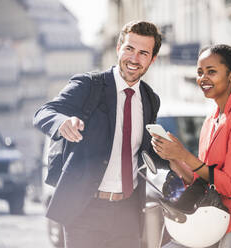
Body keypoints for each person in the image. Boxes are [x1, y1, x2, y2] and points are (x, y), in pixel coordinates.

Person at [33, 20, 163, 248]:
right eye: (129, 49)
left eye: (143, 53)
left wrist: (182, 161)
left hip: (128, 213)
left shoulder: (151, 99)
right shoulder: (89, 85)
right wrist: (62, 122)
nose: (134, 59)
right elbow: (44, 112)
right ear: (118, 48)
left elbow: (144, 152)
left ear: (152, 59)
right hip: (85, 211)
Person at [152, 44, 231, 248]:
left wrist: (185, 155)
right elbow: (204, 178)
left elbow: (230, 185)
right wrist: (174, 159)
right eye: (200, 72)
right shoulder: (210, 120)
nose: (203, 78)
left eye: (211, 71)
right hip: (214, 218)